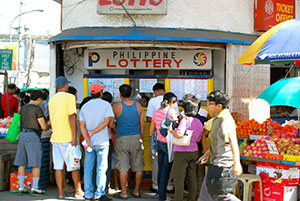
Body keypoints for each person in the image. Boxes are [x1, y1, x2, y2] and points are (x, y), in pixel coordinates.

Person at [198, 90, 242, 201]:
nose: (208, 106)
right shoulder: (216, 119)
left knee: (222, 195)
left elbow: (233, 142)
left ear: (219, 106)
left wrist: (237, 164)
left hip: (223, 165)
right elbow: (218, 141)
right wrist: (207, 154)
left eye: (210, 103)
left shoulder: (225, 120)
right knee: (206, 195)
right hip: (215, 162)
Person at [48, 76, 84, 199]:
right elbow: (72, 117)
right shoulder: (70, 97)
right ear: (66, 86)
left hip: (55, 138)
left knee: (58, 167)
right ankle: (78, 191)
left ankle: (61, 193)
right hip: (68, 138)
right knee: (74, 166)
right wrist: (74, 137)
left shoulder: (51, 100)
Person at [79, 83, 114, 201]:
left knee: (88, 168)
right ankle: (99, 193)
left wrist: (87, 138)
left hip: (89, 143)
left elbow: (82, 125)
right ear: (100, 93)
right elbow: (106, 123)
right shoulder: (106, 105)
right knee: (101, 168)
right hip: (102, 141)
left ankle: (88, 194)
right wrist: (93, 132)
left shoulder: (85, 106)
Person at [112, 84, 145, 199]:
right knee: (138, 166)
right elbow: (142, 126)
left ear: (120, 94)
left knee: (123, 167)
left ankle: (124, 193)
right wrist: (142, 140)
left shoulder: (116, 107)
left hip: (122, 139)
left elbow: (111, 124)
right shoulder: (139, 106)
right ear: (131, 94)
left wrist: (116, 129)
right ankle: (136, 191)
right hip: (136, 138)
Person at [146, 83, 179, 192]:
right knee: (170, 161)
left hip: (157, 137)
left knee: (156, 162)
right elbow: (176, 121)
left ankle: (156, 185)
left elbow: (150, 119)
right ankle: (169, 185)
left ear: (155, 92)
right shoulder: (173, 105)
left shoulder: (152, 102)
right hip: (170, 139)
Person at [14, 90, 48, 194]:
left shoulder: (23, 108)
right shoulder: (37, 110)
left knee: (21, 162)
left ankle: (20, 186)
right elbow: (44, 127)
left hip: (22, 135)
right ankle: (34, 187)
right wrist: (48, 124)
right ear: (38, 99)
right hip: (33, 136)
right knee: (35, 163)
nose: (41, 102)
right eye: (41, 100)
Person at [168, 101, 203, 201]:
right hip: (194, 151)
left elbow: (179, 134)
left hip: (181, 152)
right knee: (192, 176)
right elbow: (198, 139)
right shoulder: (198, 122)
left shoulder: (185, 120)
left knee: (179, 177)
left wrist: (171, 130)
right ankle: (192, 198)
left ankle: (178, 199)